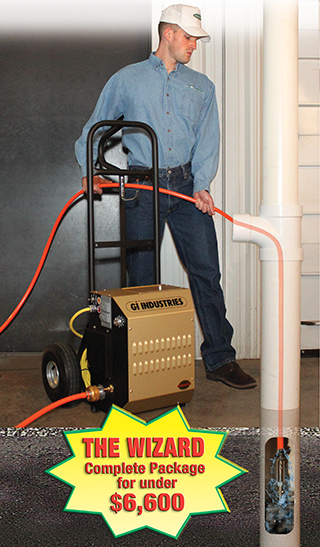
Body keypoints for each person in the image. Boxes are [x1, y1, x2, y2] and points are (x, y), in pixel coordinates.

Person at [75, 4, 257, 389]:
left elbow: (209, 140)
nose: (194, 45)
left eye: (196, 39)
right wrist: (89, 169)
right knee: (142, 279)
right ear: (168, 34)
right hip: (143, 186)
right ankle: (140, 365)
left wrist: (203, 184)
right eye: (189, 37)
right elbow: (96, 126)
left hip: (188, 185)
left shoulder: (202, 86)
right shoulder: (128, 80)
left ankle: (220, 359)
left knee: (207, 272)